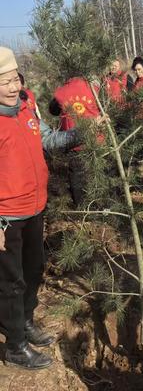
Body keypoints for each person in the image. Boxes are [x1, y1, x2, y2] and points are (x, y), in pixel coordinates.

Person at [0, 47, 79, 369]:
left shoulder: (27, 107)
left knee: (33, 270)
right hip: (6, 217)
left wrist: (80, 134)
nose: (11, 86)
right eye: (3, 81)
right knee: (10, 280)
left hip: (35, 207)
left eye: (14, 78)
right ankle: (15, 345)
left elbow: (47, 140)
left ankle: (25, 321)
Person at [49, 71, 102, 206]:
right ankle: (101, 203)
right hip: (96, 137)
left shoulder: (61, 91)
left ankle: (82, 206)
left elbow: (53, 110)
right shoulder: (94, 86)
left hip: (73, 140)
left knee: (77, 174)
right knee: (98, 172)